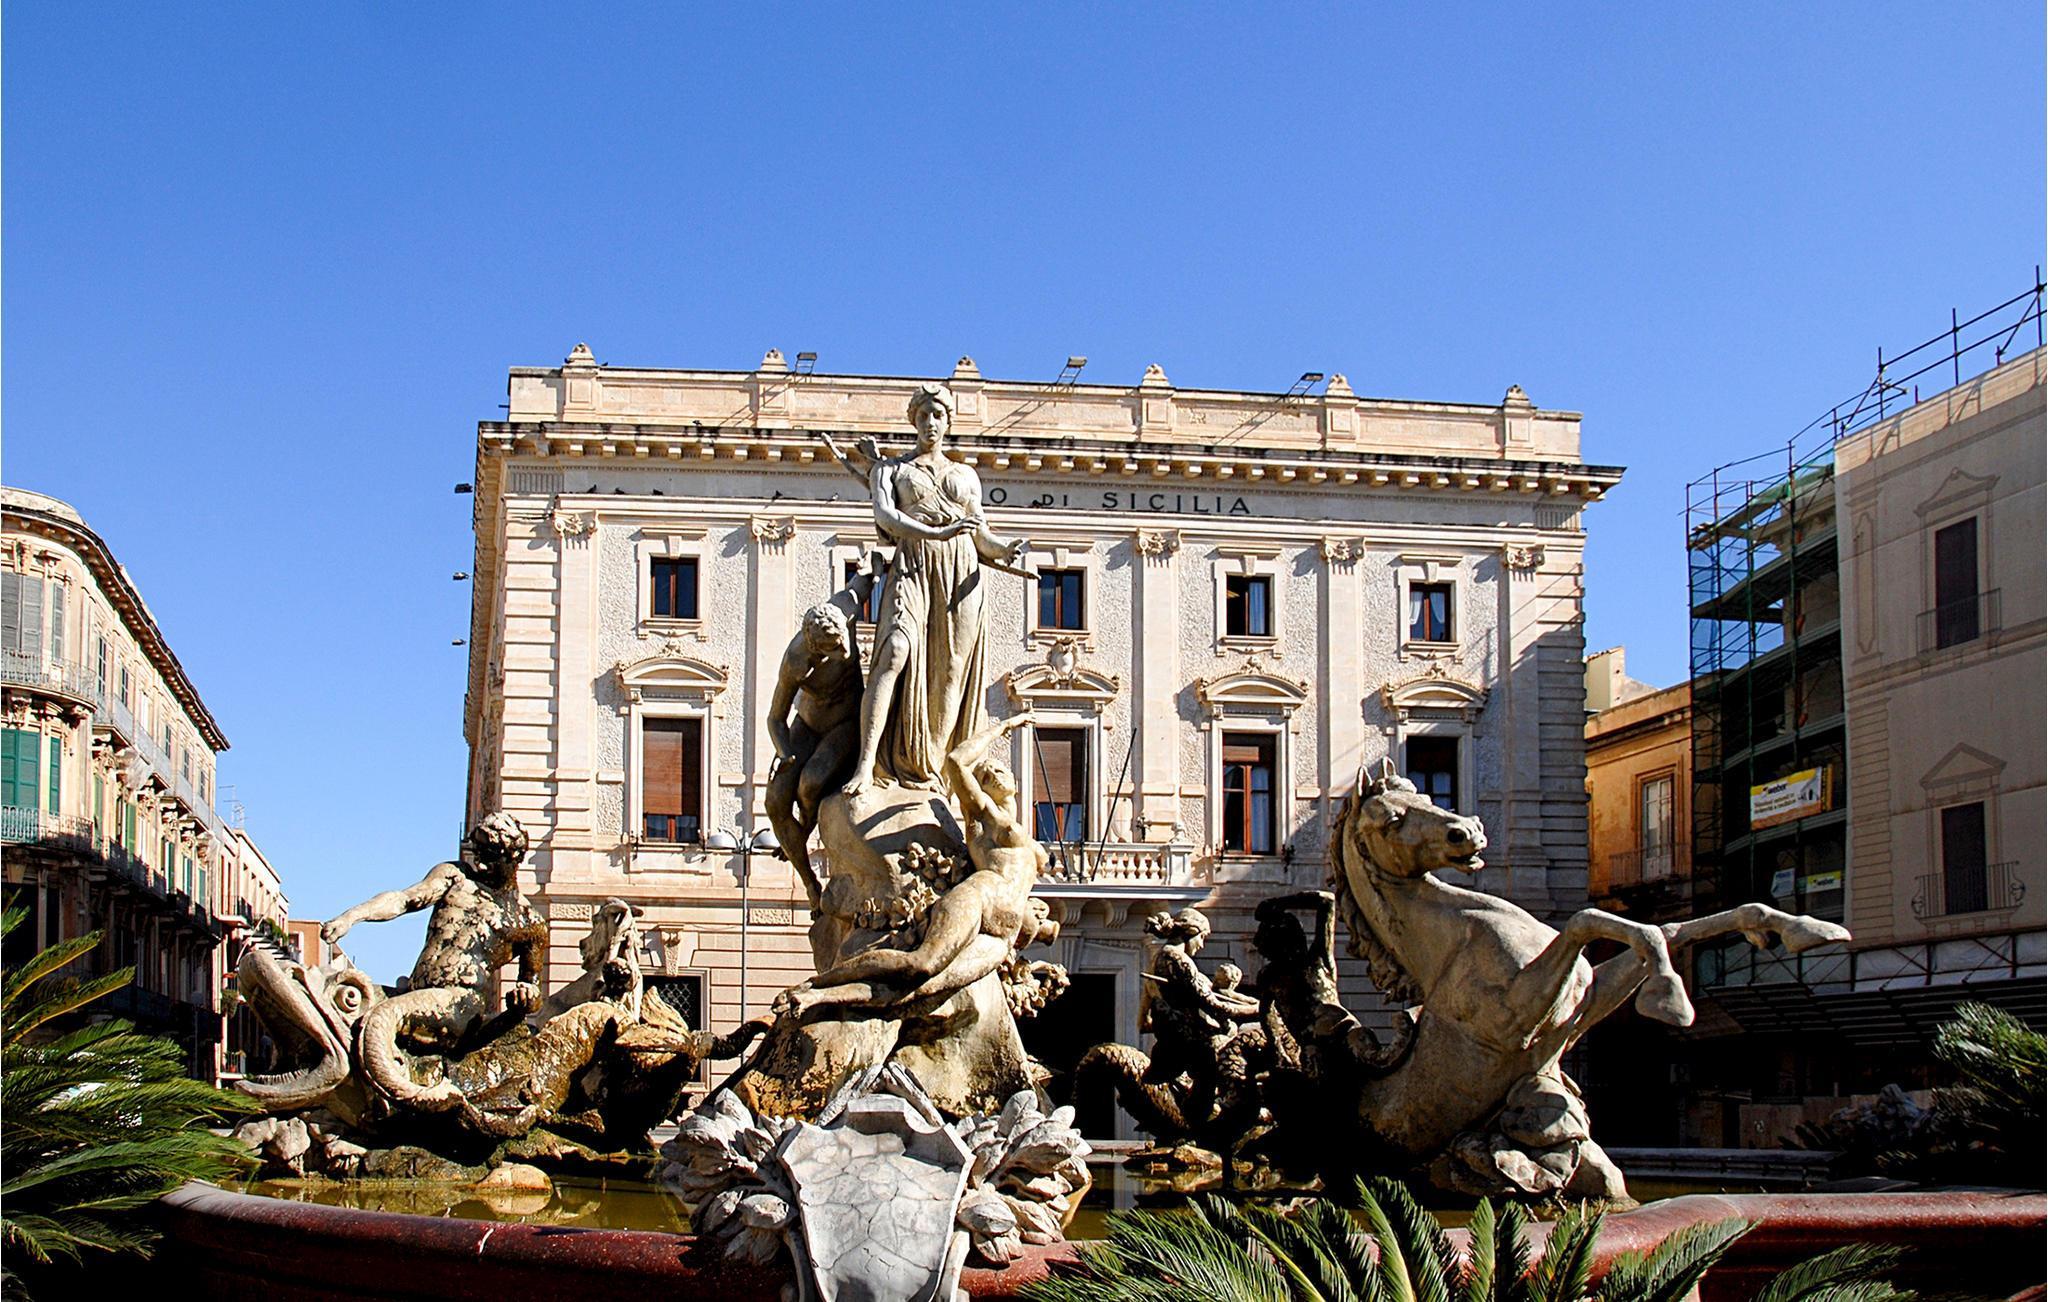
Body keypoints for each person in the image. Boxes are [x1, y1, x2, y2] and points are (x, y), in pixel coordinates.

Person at [820, 384, 1028, 794]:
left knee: (951, 673)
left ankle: (933, 772)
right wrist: (938, 532)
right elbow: (887, 518)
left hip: (960, 574)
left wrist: (1003, 550)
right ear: (913, 420)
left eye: (938, 415)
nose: (930, 422)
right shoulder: (890, 470)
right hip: (913, 565)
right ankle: (866, 765)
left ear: (948, 421)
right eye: (923, 415)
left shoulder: (965, 475)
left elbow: (980, 533)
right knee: (894, 651)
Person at [771, 712, 1046, 1019]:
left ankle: (828, 997)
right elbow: (955, 761)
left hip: (1002, 932)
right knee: (922, 965)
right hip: (979, 900)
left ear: (1016, 782)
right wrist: (1003, 726)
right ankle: (818, 987)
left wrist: (1045, 925)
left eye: (999, 768)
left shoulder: (1019, 828)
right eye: (985, 775)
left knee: (929, 990)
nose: (994, 773)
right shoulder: (984, 815)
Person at [322, 812, 546, 1109]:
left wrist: (526, 996)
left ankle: (399, 1102)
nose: (480, 862)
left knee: (383, 1019)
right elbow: (404, 899)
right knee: (333, 999)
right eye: (477, 851)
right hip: (414, 994)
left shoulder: (528, 921)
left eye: (489, 855)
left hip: (459, 1005)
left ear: (514, 857)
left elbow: (532, 988)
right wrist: (353, 916)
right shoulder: (455, 876)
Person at [764, 552, 883, 906]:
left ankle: (803, 829)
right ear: (815, 647)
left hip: (847, 723)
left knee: (811, 783)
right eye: (834, 649)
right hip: (808, 724)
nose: (845, 651)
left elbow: (866, 578)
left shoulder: (843, 609)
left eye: (845, 640)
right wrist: (785, 754)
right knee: (775, 801)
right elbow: (775, 718)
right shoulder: (795, 662)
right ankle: (810, 883)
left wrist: (874, 566)